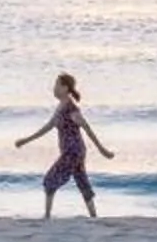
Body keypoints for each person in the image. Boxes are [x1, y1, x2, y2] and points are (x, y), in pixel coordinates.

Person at [17, 73, 114, 219]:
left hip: (72, 151)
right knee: (82, 183)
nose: (54, 88)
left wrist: (102, 149)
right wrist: (26, 140)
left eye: (57, 85)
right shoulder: (61, 106)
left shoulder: (70, 108)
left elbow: (86, 126)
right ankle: (94, 216)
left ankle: (47, 216)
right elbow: (48, 126)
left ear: (65, 88)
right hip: (76, 151)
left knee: (50, 180)